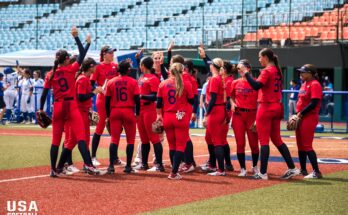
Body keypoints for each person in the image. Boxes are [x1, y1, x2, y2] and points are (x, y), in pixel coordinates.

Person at [40, 26, 105, 177]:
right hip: (71, 105)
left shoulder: (50, 73)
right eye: (68, 57)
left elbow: (44, 94)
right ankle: (88, 165)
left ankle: (53, 170)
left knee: (56, 140)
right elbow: (82, 54)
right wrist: (77, 37)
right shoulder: (71, 70)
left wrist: (41, 109)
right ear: (67, 60)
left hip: (58, 105)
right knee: (80, 136)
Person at [240, 48, 300, 180]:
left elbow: (256, 85)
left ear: (266, 57)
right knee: (277, 140)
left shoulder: (267, 70)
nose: (259, 59)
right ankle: (292, 168)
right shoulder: (277, 70)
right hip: (277, 106)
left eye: (260, 57)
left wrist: (246, 73)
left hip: (266, 107)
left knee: (264, 141)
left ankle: (262, 173)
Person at [63, 57, 102, 173]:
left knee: (82, 140)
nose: (96, 67)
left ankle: (86, 164)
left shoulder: (85, 78)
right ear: (90, 66)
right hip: (79, 113)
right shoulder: (83, 79)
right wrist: (94, 93)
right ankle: (64, 164)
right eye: (95, 65)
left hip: (83, 112)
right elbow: (80, 97)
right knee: (74, 140)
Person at [156, 62, 194, 180]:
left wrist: (159, 115)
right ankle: (173, 172)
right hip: (181, 116)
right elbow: (192, 101)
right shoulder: (186, 83)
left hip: (167, 116)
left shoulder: (163, 83)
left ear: (170, 71)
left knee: (172, 145)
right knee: (180, 146)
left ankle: (174, 170)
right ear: (182, 71)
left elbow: (158, 103)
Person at [105, 60, 141, 174]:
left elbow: (107, 101)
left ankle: (111, 166)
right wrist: (138, 113)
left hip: (115, 111)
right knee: (130, 140)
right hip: (128, 111)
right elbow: (137, 100)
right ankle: (128, 166)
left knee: (114, 139)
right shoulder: (133, 82)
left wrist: (107, 115)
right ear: (128, 70)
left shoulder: (111, 82)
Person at [90, 45, 122, 167]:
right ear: (104, 54)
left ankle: (115, 158)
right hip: (103, 100)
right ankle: (93, 157)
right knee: (100, 127)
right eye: (110, 52)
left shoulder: (115, 66)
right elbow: (91, 84)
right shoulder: (98, 67)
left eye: (113, 52)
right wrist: (96, 89)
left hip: (114, 101)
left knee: (115, 128)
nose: (112, 54)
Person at [230, 60, 259, 177]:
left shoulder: (256, 83)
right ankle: (242, 168)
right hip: (238, 115)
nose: (239, 70)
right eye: (238, 69)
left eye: (241, 68)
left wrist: (258, 119)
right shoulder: (235, 82)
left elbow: (261, 101)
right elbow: (230, 97)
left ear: (248, 69)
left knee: (254, 144)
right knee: (240, 143)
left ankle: (255, 166)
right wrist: (232, 103)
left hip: (252, 115)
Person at [135, 56, 164, 172]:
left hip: (149, 110)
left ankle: (159, 164)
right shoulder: (141, 77)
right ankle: (144, 164)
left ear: (143, 66)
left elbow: (155, 96)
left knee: (155, 138)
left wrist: (141, 96)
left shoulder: (153, 78)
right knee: (144, 139)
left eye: (140, 64)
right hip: (141, 111)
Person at [202, 58, 229, 176]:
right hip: (219, 109)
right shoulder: (220, 78)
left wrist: (206, 115)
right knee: (208, 138)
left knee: (217, 141)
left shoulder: (214, 79)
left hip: (215, 111)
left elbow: (212, 99)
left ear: (213, 66)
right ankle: (213, 165)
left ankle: (221, 169)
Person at [295, 64, 323, 179]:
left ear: (310, 73)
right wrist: (297, 114)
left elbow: (314, 103)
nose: (301, 74)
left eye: (303, 72)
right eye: (300, 72)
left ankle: (317, 172)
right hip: (300, 117)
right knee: (300, 145)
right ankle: (303, 169)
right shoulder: (303, 84)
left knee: (307, 145)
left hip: (309, 117)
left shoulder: (315, 84)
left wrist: (300, 114)